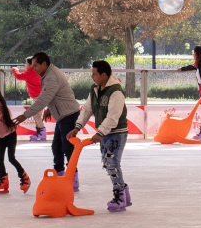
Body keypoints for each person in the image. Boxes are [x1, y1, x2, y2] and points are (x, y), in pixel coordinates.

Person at [12, 52, 83, 190]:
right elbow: (54, 95)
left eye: (35, 66)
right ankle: (59, 175)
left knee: (67, 148)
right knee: (56, 147)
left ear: (44, 64)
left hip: (68, 115)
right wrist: (51, 108)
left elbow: (43, 99)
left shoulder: (51, 77)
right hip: (62, 115)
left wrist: (25, 116)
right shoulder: (47, 74)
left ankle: (72, 179)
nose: (33, 69)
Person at [69, 60, 131, 212]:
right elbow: (87, 109)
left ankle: (120, 196)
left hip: (116, 133)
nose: (92, 76)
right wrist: (77, 127)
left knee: (112, 162)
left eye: (94, 74)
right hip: (104, 133)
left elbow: (113, 117)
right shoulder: (95, 89)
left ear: (104, 75)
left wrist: (100, 133)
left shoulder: (116, 92)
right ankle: (124, 193)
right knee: (108, 163)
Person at [12, 57, 47, 141]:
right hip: (43, 96)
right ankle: (40, 132)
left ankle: (42, 133)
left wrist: (14, 69)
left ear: (31, 65)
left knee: (37, 115)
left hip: (38, 98)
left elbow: (18, 76)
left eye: (26, 64)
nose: (25, 65)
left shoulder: (29, 73)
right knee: (37, 115)